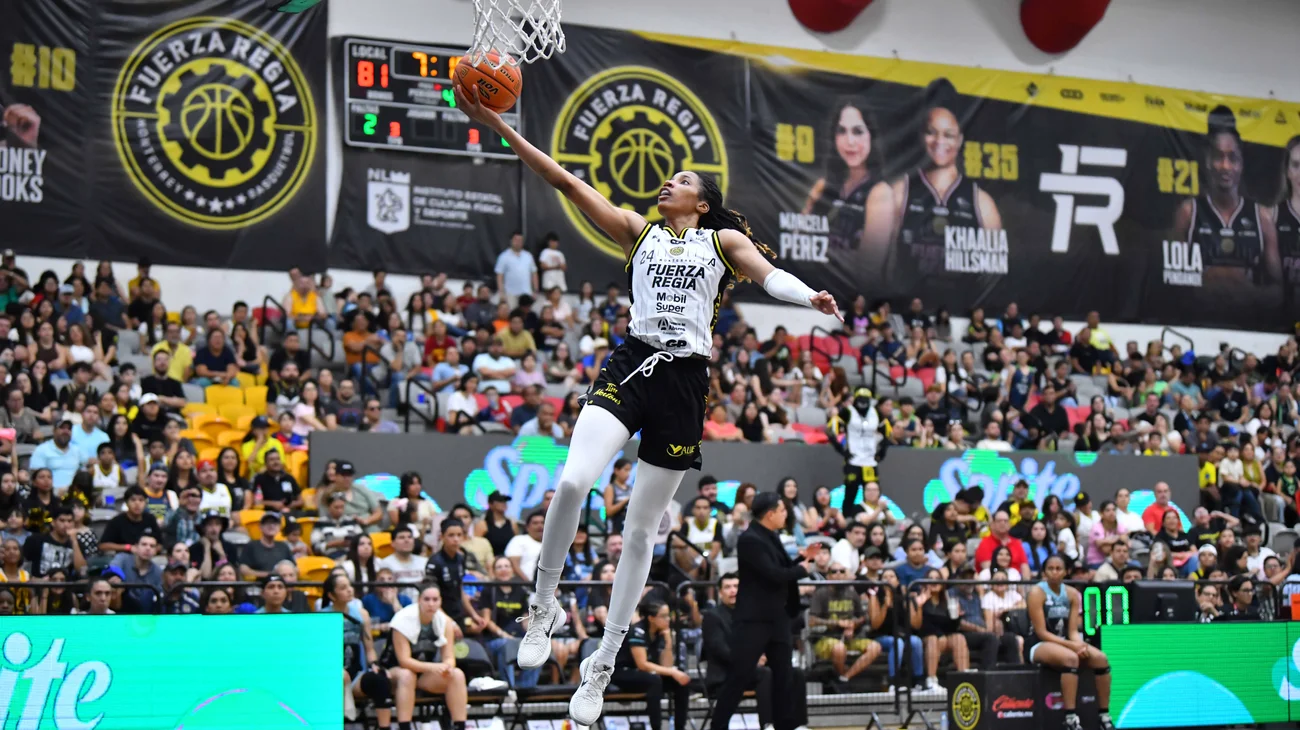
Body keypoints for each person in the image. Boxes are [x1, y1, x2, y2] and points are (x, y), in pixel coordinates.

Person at [455, 78, 842, 724]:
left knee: (639, 535)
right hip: (634, 364)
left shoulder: (722, 243)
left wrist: (811, 300)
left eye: (681, 179)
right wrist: (499, 128)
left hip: (685, 385)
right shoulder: (640, 231)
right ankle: (542, 607)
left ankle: (602, 663)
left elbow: (770, 276)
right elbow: (569, 184)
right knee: (575, 481)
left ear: (704, 200)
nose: (668, 183)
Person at [710, 493, 819, 730]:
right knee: (739, 677)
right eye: (782, 510)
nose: (785, 514)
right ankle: (717, 727)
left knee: (784, 677)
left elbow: (782, 568)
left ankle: (785, 725)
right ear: (770, 514)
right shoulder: (750, 539)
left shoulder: (771, 536)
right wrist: (802, 570)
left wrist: (803, 558)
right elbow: (773, 574)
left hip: (777, 618)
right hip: (754, 621)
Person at [1169, 105, 1282, 303]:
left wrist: (1247, 293)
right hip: (1198, 322)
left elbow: (1279, 290)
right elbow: (1170, 280)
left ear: (1242, 164)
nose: (1225, 166)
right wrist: (1209, 284)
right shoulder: (1188, 213)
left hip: (1248, 325)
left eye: (1233, 158)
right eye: (1218, 157)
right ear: (1207, 160)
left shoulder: (1262, 217)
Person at [1026, 555, 1115, 730]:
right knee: (1071, 659)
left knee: (1101, 658)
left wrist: (1079, 645)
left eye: (1058, 568)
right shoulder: (1037, 592)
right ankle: (1070, 718)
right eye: (1050, 568)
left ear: (1066, 572)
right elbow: (1042, 632)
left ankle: (1104, 714)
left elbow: (1073, 631)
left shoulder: (1073, 594)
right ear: (1044, 572)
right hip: (1038, 644)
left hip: (1065, 642)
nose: (1054, 572)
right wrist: (1072, 647)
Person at [327, 573, 414, 730]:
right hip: (330, 676)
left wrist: (374, 664)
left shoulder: (361, 614)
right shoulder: (322, 617)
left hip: (356, 674)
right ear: (331, 595)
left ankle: (384, 727)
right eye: (343, 588)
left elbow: (369, 647)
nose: (349, 590)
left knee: (380, 679)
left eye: (349, 586)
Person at [385, 585, 469, 730]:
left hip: (423, 672)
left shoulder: (445, 621)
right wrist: (434, 667)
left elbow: (449, 657)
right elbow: (404, 661)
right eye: (427, 599)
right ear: (419, 600)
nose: (431, 604)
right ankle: (404, 727)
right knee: (407, 675)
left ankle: (460, 726)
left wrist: (447, 666)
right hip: (393, 671)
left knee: (456, 674)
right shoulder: (402, 619)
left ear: (440, 601)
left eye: (435, 599)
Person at [609, 598, 693, 730]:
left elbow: (666, 665)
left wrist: (668, 642)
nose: (668, 619)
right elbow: (642, 664)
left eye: (669, 615)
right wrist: (673, 671)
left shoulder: (660, 632)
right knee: (655, 681)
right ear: (651, 618)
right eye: (664, 616)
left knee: (681, 682)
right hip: (622, 673)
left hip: (643, 674)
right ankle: (656, 727)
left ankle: (680, 727)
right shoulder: (637, 631)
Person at [826, 387, 887, 521]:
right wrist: (842, 450)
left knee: (873, 492)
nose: (863, 403)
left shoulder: (876, 412)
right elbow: (830, 429)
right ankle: (847, 520)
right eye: (860, 399)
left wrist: (882, 451)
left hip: (870, 461)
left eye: (866, 399)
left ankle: (876, 519)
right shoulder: (848, 412)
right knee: (850, 492)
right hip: (854, 460)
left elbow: (887, 431)